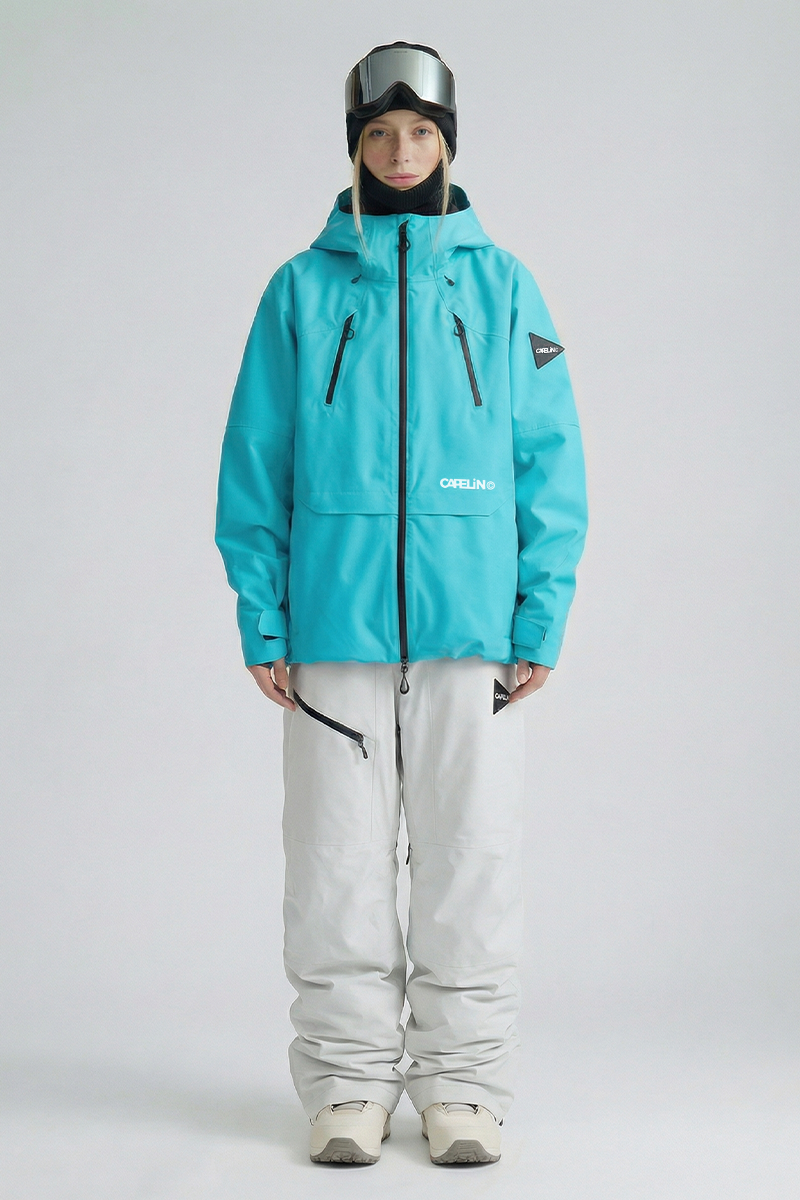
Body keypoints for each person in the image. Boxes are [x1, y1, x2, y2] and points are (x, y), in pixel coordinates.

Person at [215, 41, 588, 1166]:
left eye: (419, 131)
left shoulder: (504, 285)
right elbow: (255, 463)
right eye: (378, 133)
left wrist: (539, 616)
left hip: (472, 632)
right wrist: (263, 617)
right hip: (332, 629)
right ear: (354, 145)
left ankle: (463, 1088)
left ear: (447, 142)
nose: (399, 151)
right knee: (334, 866)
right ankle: (346, 1086)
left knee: (471, 862)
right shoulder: (301, 289)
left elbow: (549, 460)